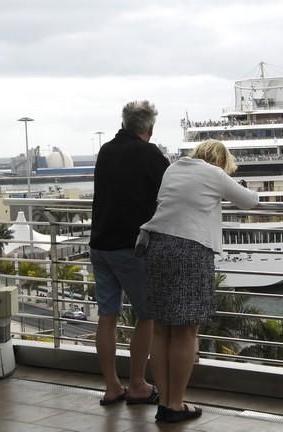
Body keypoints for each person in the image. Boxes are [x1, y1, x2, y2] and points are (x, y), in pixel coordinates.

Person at [141, 139, 258, 423]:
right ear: (220, 162)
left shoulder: (173, 169)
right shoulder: (214, 173)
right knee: (185, 331)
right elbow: (250, 201)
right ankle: (175, 404)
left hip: (156, 245)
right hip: (190, 250)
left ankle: (164, 401)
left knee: (161, 330)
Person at [89, 100, 169, 406]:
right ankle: (137, 383)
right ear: (148, 128)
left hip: (100, 245)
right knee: (147, 316)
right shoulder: (149, 153)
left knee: (107, 317)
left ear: (124, 124)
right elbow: (169, 188)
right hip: (131, 247)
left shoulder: (106, 150)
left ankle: (112, 386)